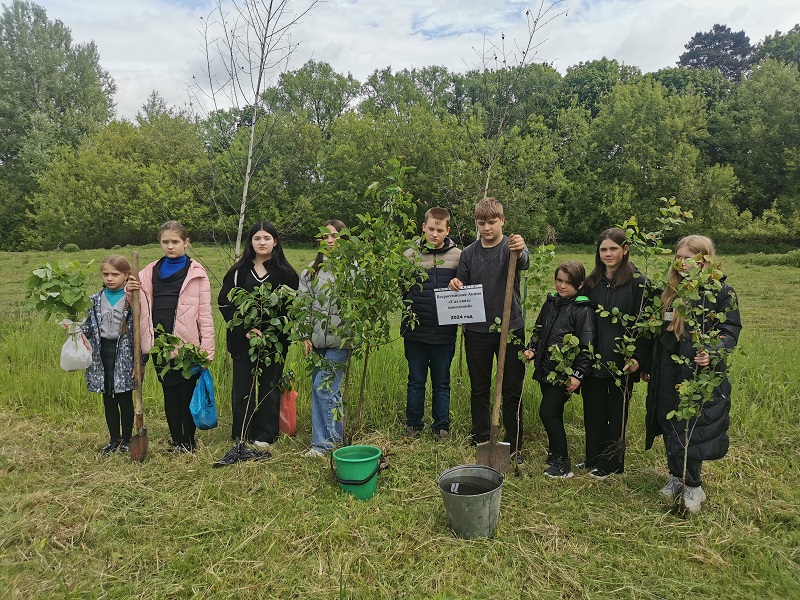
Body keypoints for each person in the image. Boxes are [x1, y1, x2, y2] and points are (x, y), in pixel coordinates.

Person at [644, 235, 741, 513]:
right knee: (668, 418)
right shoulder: (671, 291)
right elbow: (660, 334)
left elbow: (730, 330)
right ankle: (676, 477)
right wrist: (651, 366)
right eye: (680, 256)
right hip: (668, 368)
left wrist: (712, 350)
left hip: (698, 370)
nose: (683, 262)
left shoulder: (722, 292)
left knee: (692, 426)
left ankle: (693, 485)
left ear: (705, 259)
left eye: (691, 257)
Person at [449, 197, 529, 463]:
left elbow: (525, 260)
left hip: (511, 327)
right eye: (481, 223)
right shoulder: (469, 253)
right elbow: (463, 282)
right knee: (480, 388)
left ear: (502, 221)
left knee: (511, 389)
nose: (486, 228)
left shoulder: (512, 248)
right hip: (477, 330)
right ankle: (481, 437)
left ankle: (515, 444)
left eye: (492, 222)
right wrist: (457, 284)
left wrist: (522, 248)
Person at [128, 221, 215, 453]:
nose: (170, 246)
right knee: (169, 392)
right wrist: (130, 291)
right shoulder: (148, 272)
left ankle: (189, 440)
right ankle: (176, 440)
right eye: (165, 242)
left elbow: (205, 314)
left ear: (186, 243)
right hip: (159, 344)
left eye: (175, 242)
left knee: (186, 392)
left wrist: (207, 349)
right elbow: (138, 306)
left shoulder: (196, 272)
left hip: (188, 345)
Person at [218, 222, 299, 451]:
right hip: (243, 340)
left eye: (267, 238)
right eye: (257, 238)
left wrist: (276, 331)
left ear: (275, 241)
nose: (262, 242)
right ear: (250, 242)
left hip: (275, 341)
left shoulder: (286, 273)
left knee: (269, 385)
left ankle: (265, 433)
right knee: (243, 385)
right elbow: (224, 302)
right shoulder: (238, 272)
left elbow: (293, 307)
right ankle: (242, 431)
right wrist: (245, 328)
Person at [581, 227, 651, 478]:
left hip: (621, 362)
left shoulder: (638, 283)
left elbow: (645, 326)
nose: (608, 254)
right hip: (594, 359)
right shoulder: (592, 282)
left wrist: (638, 358)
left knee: (615, 413)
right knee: (593, 410)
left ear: (625, 249)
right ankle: (593, 459)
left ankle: (611, 464)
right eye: (603, 250)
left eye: (613, 248)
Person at [523, 261, 595, 478]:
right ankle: (554, 452)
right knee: (553, 413)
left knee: (547, 413)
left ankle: (563, 463)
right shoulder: (551, 303)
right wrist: (532, 349)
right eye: (559, 280)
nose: (562, 286)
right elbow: (538, 330)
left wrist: (578, 374)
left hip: (564, 374)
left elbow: (587, 345)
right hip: (547, 369)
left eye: (568, 283)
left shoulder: (582, 310)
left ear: (580, 284)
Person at [401, 207, 462, 440]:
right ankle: (413, 425)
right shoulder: (410, 256)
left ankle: (441, 427)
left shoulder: (458, 256)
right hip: (414, 330)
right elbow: (399, 289)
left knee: (442, 382)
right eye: (431, 229)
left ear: (447, 230)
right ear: (423, 227)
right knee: (415, 381)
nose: (434, 234)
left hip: (444, 333)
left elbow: (465, 286)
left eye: (440, 230)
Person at [299, 220, 349, 458]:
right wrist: (304, 335)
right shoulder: (310, 271)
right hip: (317, 341)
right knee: (328, 390)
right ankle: (335, 436)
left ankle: (322, 444)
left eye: (335, 237)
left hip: (341, 341)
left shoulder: (353, 269)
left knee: (323, 386)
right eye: (325, 237)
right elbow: (303, 306)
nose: (330, 241)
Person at [84, 256, 135, 455]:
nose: (110, 278)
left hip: (124, 353)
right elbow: (88, 327)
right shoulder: (95, 300)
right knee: (108, 397)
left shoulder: (132, 299)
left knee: (124, 397)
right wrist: (74, 329)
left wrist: (141, 360)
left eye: (115, 274)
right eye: (106, 274)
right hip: (102, 352)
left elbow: (140, 330)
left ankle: (128, 439)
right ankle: (114, 438)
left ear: (126, 276)